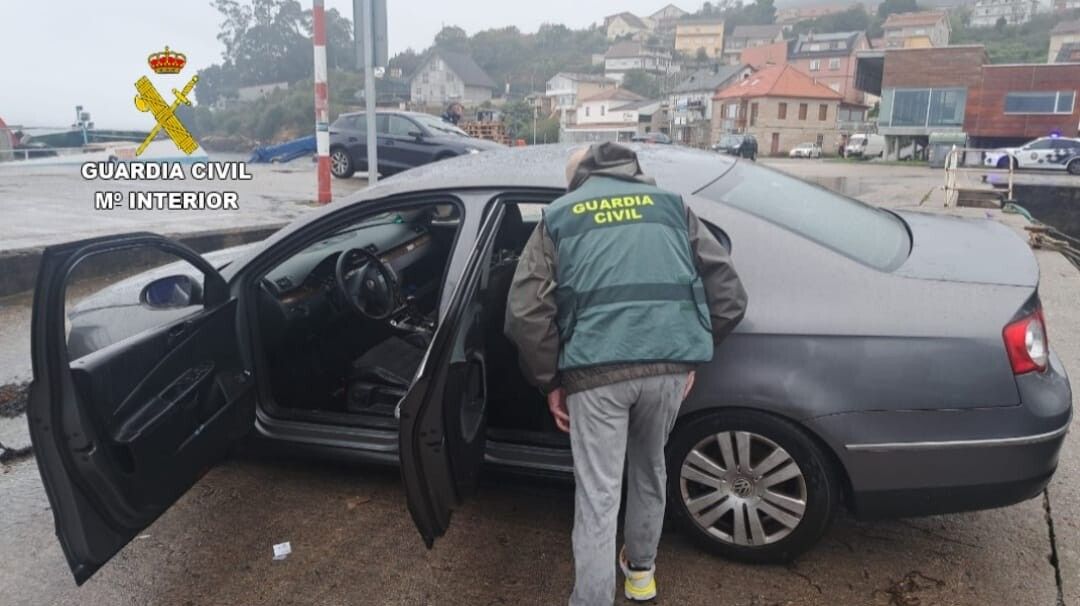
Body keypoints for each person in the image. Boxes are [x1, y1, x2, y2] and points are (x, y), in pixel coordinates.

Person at [504, 142, 748, 605]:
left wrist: (551, 382)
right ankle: (640, 577)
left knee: (599, 495)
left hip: (595, 376)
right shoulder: (673, 207)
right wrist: (688, 356)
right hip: (666, 374)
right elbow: (730, 297)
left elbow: (525, 313)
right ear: (629, 170)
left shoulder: (559, 216)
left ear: (578, 180)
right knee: (650, 471)